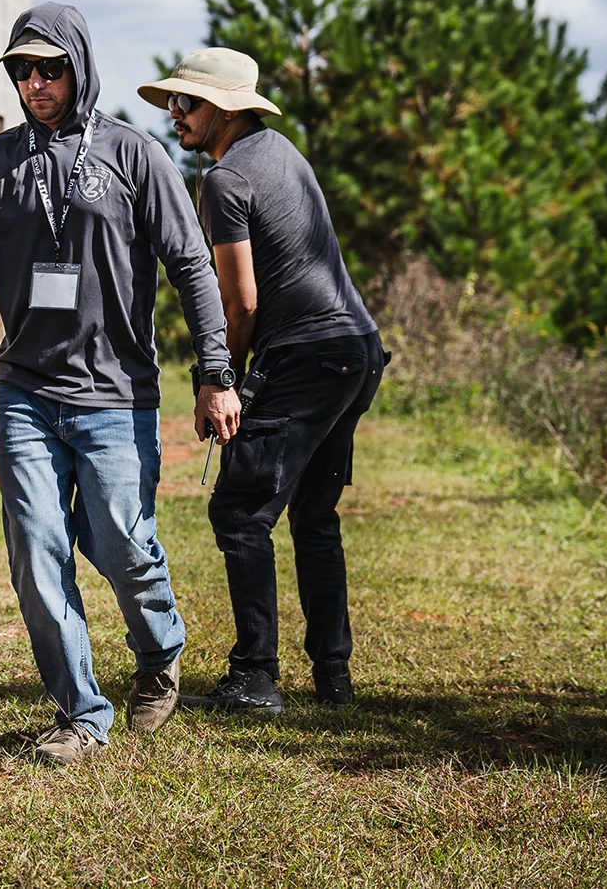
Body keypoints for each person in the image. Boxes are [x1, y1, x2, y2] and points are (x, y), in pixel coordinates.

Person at [0, 3, 241, 764]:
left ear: (79, 66)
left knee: (120, 543)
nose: (35, 82)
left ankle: (159, 648)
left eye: (49, 68)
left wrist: (216, 374)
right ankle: (80, 713)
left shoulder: (135, 155)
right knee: (37, 551)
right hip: (26, 394)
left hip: (116, 394)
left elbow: (191, 268)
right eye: (21, 69)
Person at [139, 48, 389, 714]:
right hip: (357, 350)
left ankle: (255, 678)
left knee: (240, 510)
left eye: (186, 103)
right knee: (314, 515)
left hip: (309, 355)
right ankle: (333, 679)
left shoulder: (225, 181)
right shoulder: (279, 151)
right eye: (172, 101)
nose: (174, 113)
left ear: (224, 107)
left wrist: (219, 379)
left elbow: (240, 301)